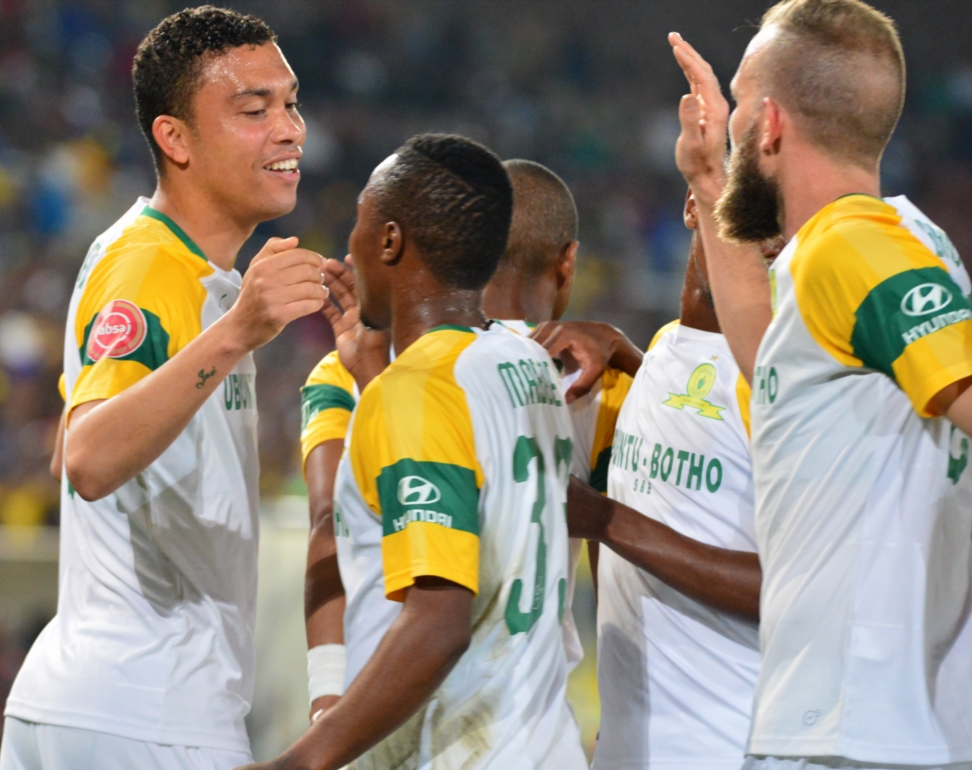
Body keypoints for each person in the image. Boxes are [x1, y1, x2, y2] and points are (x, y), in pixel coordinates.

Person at [0, 8, 328, 769]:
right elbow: (85, 458)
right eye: (254, 110)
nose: (290, 129)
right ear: (174, 139)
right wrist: (239, 332)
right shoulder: (150, 266)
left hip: (103, 704)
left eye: (290, 102)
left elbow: (71, 446)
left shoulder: (191, 272)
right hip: (146, 713)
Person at [670, 0, 972, 768]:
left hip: (851, 731)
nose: (731, 123)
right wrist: (709, 179)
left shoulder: (854, 246)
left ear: (769, 125)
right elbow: (770, 360)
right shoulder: (898, 244)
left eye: (739, 102)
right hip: (878, 723)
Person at [247, 134, 588, 770]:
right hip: (544, 742)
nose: (348, 245)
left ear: (390, 242)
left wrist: (297, 763)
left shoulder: (416, 391)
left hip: (459, 752)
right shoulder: (524, 363)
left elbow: (437, 623)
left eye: (359, 224)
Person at [297, 159, 634, 724]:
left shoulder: (351, 366)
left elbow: (331, 524)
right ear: (568, 261)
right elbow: (619, 584)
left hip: (402, 713)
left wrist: (326, 700)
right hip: (531, 711)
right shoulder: (591, 371)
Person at [535, 190, 782, 770]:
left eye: (789, 219)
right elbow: (702, 439)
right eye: (753, 208)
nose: (772, 237)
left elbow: (796, 585)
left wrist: (603, 519)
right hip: (630, 743)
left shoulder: (780, 377)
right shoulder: (669, 347)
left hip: (730, 746)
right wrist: (630, 358)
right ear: (695, 204)